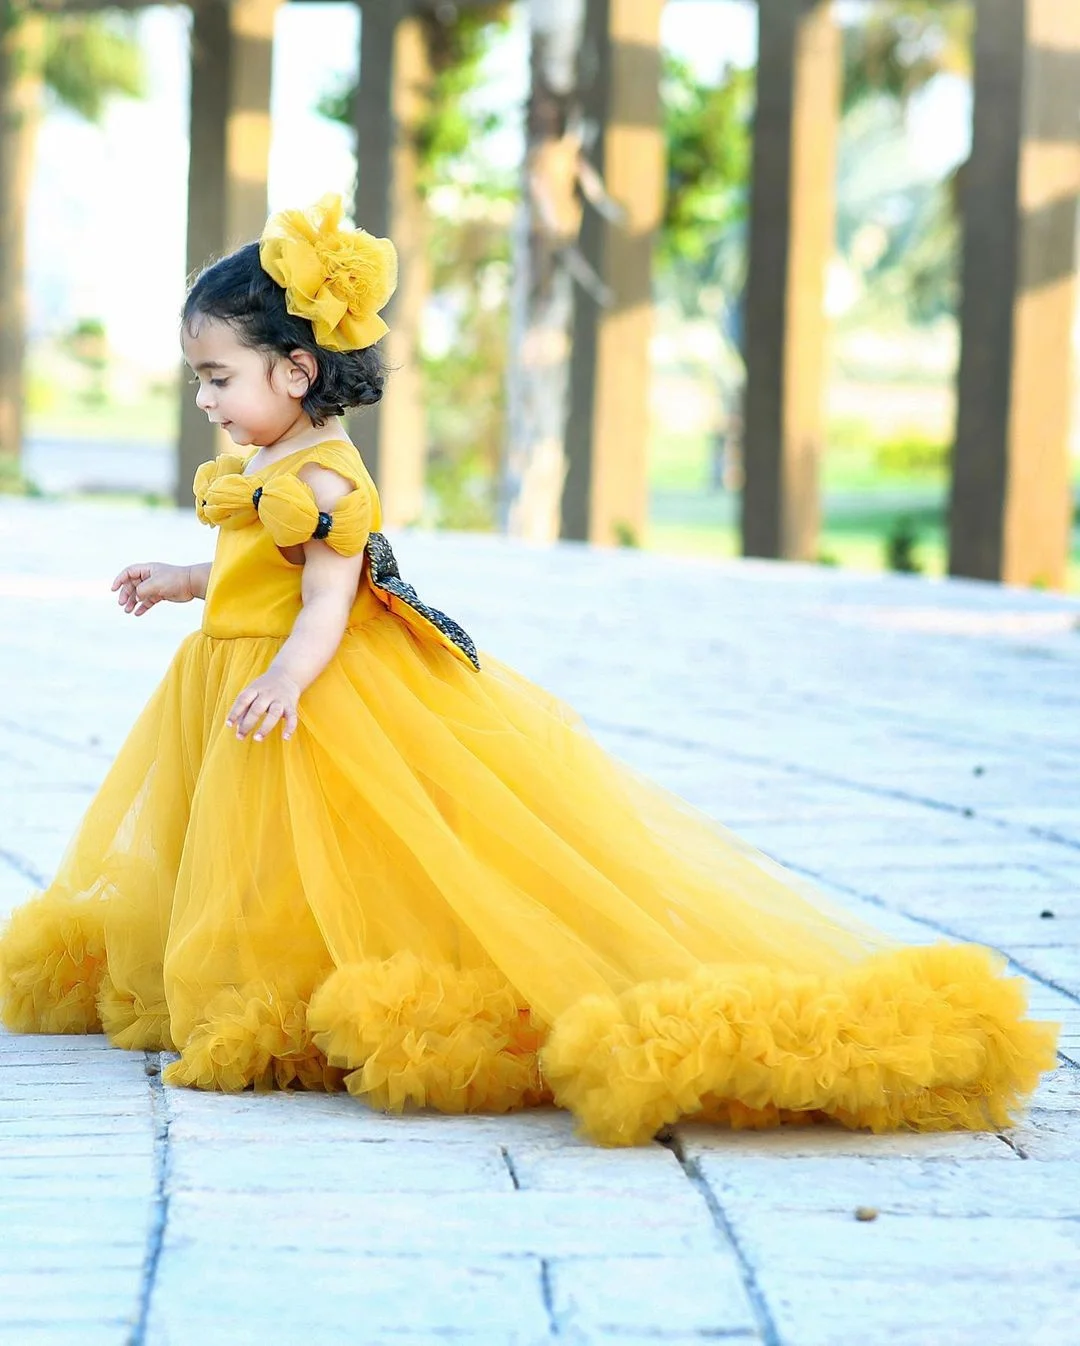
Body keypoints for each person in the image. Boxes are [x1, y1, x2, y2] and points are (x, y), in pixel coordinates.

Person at [0, 195, 1057, 1146]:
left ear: (296, 370)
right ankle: (278, 956)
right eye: (199, 380)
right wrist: (183, 578)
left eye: (218, 378)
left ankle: (304, 981)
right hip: (238, 675)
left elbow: (326, 597)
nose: (206, 402)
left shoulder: (323, 475)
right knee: (255, 857)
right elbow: (250, 568)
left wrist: (286, 677)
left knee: (338, 844)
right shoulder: (261, 466)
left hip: (315, 689)